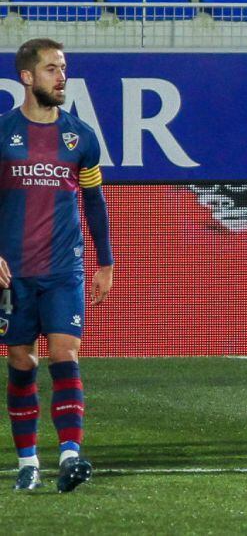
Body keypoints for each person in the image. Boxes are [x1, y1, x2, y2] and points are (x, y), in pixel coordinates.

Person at [2, 38, 114, 492]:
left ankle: (71, 456)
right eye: (51, 69)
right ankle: (28, 462)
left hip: (64, 269)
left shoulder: (80, 137)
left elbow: (94, 202)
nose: (61, 76)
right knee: (20, 359)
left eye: (63, 68)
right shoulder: (3, 133)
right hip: (14, 274)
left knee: (65, 352)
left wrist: (105, 263)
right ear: (27, 77)